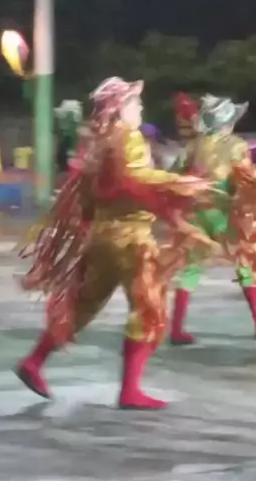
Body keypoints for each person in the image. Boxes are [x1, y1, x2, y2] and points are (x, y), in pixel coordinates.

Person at [16, 77, 215, 410]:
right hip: (132, 239)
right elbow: (137, 176)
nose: (140, 107)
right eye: (135, 102)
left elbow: (85, 193)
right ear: (119, 108)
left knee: (81, 306)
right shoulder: (129, 138)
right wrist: (181, 183)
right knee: (149, 308)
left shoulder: (99, 143)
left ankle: (34, 361)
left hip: (102, 237)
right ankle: (130, 390)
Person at [170, 95, 256, 344]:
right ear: (228, 123)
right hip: (223, 212)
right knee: (245, 263)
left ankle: (176, 329)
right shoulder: (236, 145)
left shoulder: (194, 145)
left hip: (195, 212)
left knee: (190, 268)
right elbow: (247, 180)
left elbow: (174, 174)